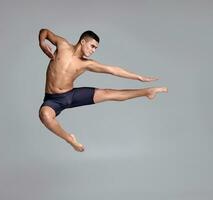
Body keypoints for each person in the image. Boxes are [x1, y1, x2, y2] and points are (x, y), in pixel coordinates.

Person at [38, 29, 168, 152]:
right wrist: (42, 43)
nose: (93, 50)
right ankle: (70, 139)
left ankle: (147, 92)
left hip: (70, 95)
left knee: (108, 93)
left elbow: (113, 70)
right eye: (92, 46)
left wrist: (138, 77)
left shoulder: (86, 64)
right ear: (83, 41)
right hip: (53, 100)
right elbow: (45, 31)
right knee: (44, 115)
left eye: (96, 48)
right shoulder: (62, 45)